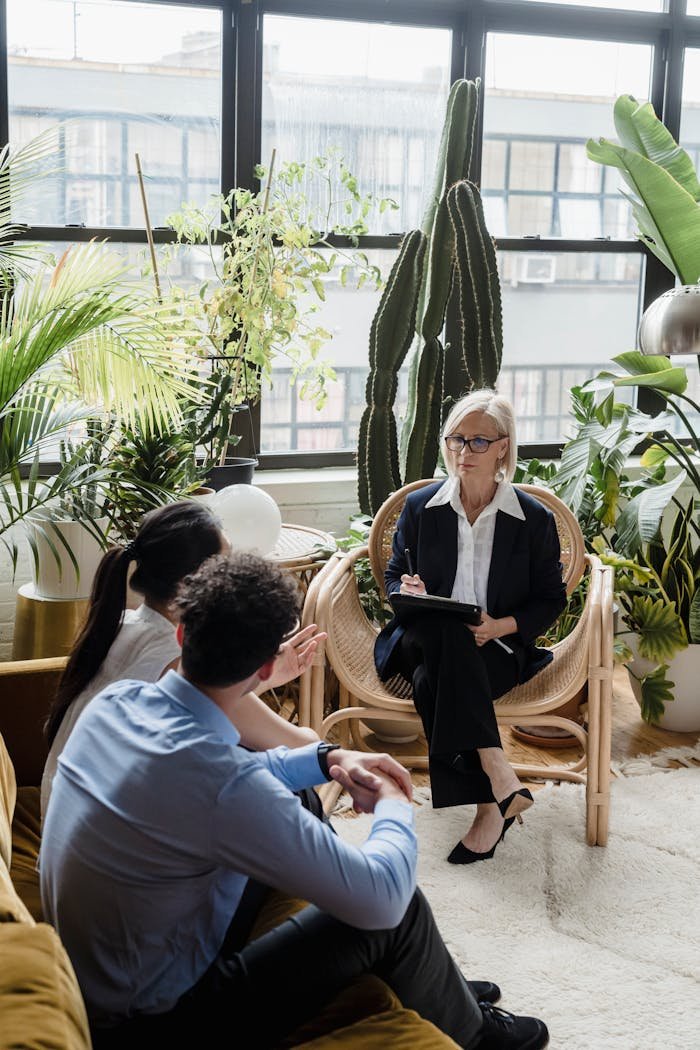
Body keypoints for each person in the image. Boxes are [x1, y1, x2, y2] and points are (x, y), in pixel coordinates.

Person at [40, 551, 549, 1050]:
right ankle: (475, 1036)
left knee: (300, 792)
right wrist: (394, 802)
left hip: (99, 973)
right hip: (157, 1025)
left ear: (181, 633)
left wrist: (328, 758)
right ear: (268, 668)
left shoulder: (117, 702)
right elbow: (382, 898)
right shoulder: (224, 785)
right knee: (401, 912)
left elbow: (206, 787)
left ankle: (439, 985)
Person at [374, 390, 567, 865]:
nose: (464, 450)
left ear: (503, 447)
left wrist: (500, 626)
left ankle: (488, 805)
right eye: (456, 439)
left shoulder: (533, 520)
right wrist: (409, 588)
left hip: (494, 650)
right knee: (444, 629)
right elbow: (395, 575)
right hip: (421, 638)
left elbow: (551, 599)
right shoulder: (421, 507)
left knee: (431, 681)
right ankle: (496, 773)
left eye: (479, 441)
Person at [41, 500, 322, 819]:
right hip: (113, 837)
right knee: (291, 787)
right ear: (190, 583)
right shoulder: (179, 662)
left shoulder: (120, 626)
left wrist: (261, 677)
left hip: (64, 824)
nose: (232, 576)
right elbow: (303, 748)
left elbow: (202, 709)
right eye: (223, 566)